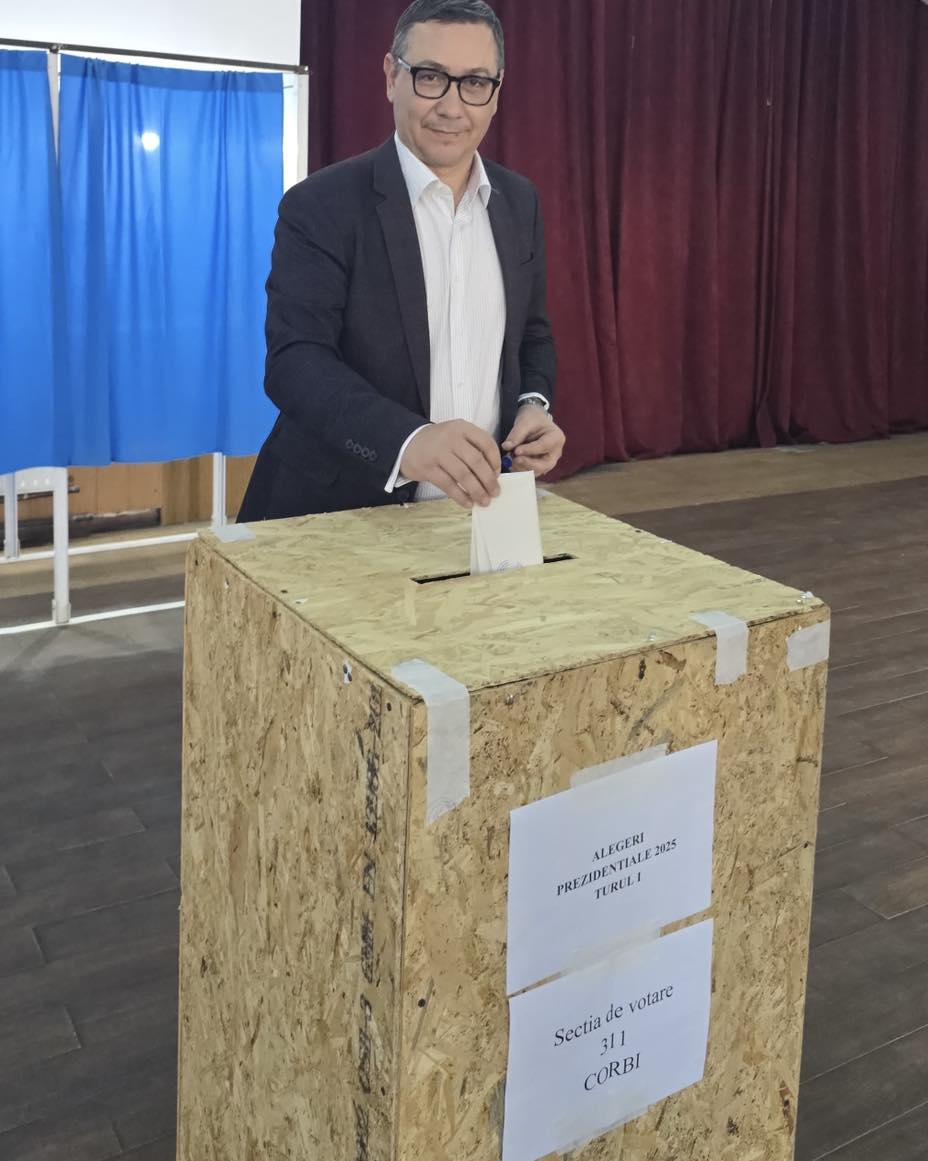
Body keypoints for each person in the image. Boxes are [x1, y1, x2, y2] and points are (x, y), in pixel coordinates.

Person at [238, 0, 565, 522]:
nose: (452, 107)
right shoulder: (321, 205)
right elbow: (295, 363)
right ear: (392, 77)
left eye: (475, 82)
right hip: (336, 516)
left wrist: (533, 405)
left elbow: (532, 335)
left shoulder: (519, 202)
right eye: (430, 77)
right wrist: (408, 442)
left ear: (496, 93)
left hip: (482, 516)